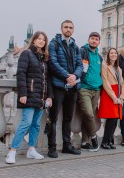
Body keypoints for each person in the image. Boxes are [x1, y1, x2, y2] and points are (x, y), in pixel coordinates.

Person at [5, 32, 53, 164]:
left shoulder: (44, 58)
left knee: (36, 124)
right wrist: (23, 94)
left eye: (44, 40)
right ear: (34, 40)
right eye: (39, 39)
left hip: (41, 97)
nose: (41, 41)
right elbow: (21, 74)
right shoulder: (26, 53)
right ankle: (12, 151)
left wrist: (49, 96)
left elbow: (47, 79)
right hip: (30, 95)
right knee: (25, 123)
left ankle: (31, 149)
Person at [47, 20, 83, 158]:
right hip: (58, 86)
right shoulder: (54, 44)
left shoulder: (75, 46)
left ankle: (67, 145)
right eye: (66, 27)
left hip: (72, 87)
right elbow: (53, 63)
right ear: (61, 28)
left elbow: (80, 65)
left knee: (68, 118)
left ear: (73, 30)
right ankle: (52, 147)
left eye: (70, 27)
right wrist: (67, 76)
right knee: (53, 118)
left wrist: (74, 76)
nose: (68, 29)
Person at [77, 32, 103, 152]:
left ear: (99, 42)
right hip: (84, 88)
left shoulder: (99, 56)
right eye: (92, 39)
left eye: (96, 39)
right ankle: (93, 137)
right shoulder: (83, 51)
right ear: (88, 40)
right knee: (89, 114)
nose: (94, 41)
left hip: (96, 89)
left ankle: (84, 142)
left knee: (88, 116)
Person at [98, 48, 124, 149]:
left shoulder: (119, 68)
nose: (113, 55)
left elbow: (122, 84)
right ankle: (105, 142)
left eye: (115, 53)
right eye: (111, 53)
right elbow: (105, 81)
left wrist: (122, 97)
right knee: (111, 118)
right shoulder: (104, 65)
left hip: (118, 93)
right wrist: (114, 96)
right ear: (108, 55)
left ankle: (109, 141)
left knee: (115, 118)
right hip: (109, 93)